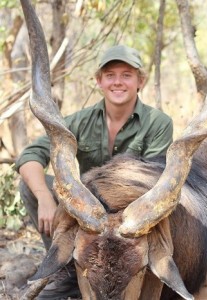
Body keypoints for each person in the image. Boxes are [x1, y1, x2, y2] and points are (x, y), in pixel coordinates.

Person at [15, 45, 173, 300]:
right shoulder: (78, 120)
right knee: (32, 186)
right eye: (110, 75)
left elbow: (154, 185)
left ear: (140, 81)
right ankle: (65, 267)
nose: (118, 82)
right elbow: (31, 156)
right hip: (88, 219)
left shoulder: (158, 123)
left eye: (126, 75)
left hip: (129, 225)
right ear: (99, 81)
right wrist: (44, 197)